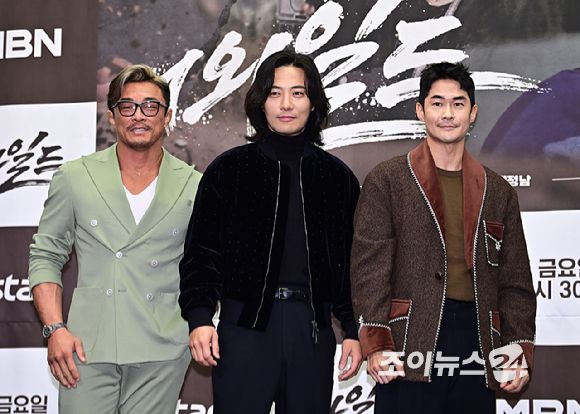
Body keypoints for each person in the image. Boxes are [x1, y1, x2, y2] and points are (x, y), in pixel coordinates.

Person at [179, 49, 362, 414]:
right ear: (260, 101)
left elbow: (351, 265)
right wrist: (200, 319)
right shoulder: (229, 170)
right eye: (275, 93)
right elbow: (202, 253)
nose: (286, 104)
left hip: (311, 331)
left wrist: (354, 330)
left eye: (298, 93)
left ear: (313, 102)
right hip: (243, 330)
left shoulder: (337, 178)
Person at [350, 62, 536, 414]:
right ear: (420, 111)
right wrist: (376, 341)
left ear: (473, 112)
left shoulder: (498, 191)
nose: (447, 113)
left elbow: (515, 282)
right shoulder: (387, 180)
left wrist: (517, 349)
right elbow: (369, 271)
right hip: (408, 339)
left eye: (458, 103)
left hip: (477, 337)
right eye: (437, 103)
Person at [28, 64, 201, 414]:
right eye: (127, 106)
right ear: (112, 117)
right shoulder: (75, 176)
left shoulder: (194, 185)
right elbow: (45, 256)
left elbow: (206, 267)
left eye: (150, 106)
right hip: (86, 346)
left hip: (163, 349)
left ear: (167, 116)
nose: (139, 115)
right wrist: (55, 329)